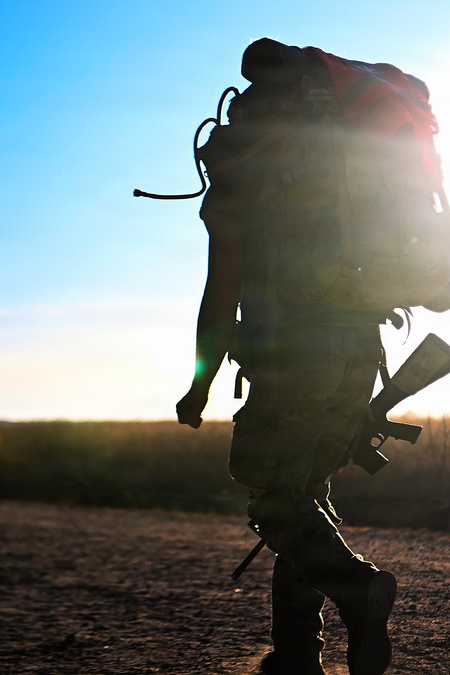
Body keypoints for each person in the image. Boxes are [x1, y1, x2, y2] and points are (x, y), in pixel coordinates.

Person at [175, 43, 398, 675]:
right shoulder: (341, 164)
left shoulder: (241, 170)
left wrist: (200, 384)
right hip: (362, 349)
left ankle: (359, 590)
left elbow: (221, 293)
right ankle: (298, 653)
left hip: (298, 352)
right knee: (305, 493)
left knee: (275, 502)